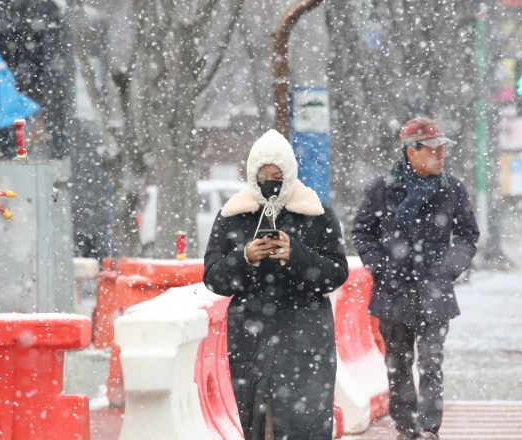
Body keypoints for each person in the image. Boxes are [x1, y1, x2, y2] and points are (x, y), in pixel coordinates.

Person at [203, 129, 348, 440]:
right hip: (251, 339)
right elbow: (213, 277)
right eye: (262, 173)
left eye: (277, 173)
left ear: (291, 173)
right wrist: (245, 258)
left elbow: (336, 273)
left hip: (306, 340)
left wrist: (296, 256)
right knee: (258, 423)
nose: (269, 180)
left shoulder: (317, 214)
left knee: (304, 425)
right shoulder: (233, 214)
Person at [352, 117, 479, 440]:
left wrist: (448, 267)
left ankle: (429, 428)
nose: (441, 156)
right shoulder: (382, 189)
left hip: (435, 290)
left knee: (431, 363)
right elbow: (362, 232)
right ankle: (406, 426)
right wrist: (381, 266)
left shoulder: (453, 189)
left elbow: (468, 235)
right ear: (411, 151)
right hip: (393, 290)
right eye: (433, 149)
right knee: (397, 363)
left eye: (443, 149)